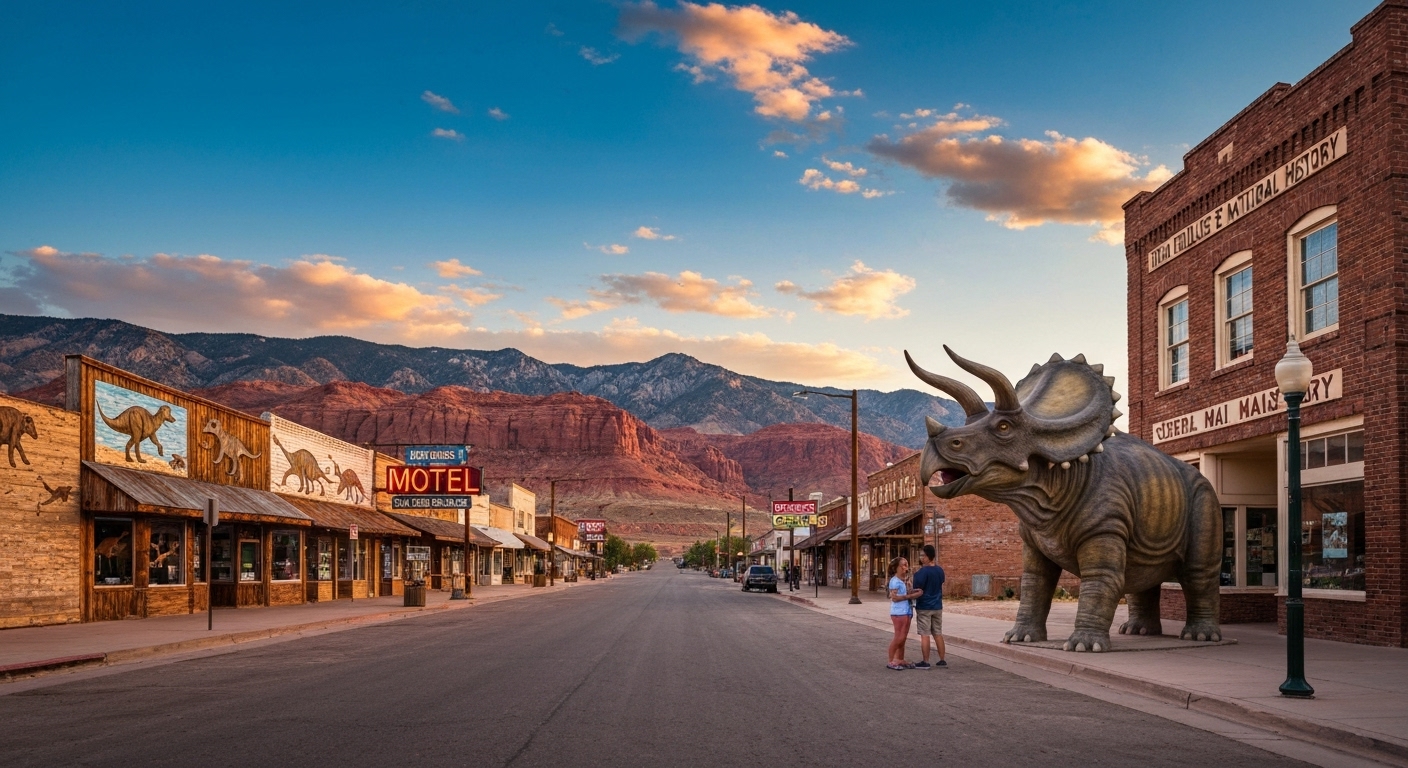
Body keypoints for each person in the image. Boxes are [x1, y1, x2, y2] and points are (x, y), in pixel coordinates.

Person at [910, 544, 947, 668]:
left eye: (922, 555)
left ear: (927, 556)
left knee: (925, 634)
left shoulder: (922, 572)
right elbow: (942, 582)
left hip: (924, 605)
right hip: (937, 605)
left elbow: (917, 588)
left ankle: (925, 661)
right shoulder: (940, 570)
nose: (921, 558)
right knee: (938, 633)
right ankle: (942, 659)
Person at [886, 556, 921, 670]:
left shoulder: (905, 580)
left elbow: (907, 592)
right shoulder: (894, 581)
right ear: (897, 567)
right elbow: (894, 598)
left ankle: (900, 659)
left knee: (904, 637)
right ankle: (891, 660)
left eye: (906, 564)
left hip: (907, 610)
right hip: (898, 612)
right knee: (899, 637)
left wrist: (914, 591)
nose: (906, 567)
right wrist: (910, 596)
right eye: (903, 565)